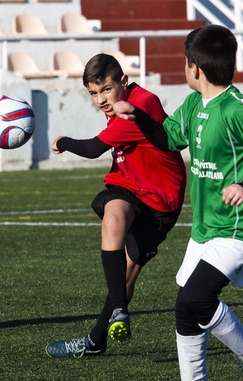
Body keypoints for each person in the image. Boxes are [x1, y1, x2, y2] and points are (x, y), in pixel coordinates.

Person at [113, 25, 243, 381]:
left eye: (185, 61)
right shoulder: (194, 105)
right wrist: (139, 118)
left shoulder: (237, 109)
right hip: (208, 226)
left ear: (195, 68)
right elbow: (168, 139)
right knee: (186, 306)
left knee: (195, 297)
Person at [45, 53, 187, 358]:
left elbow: (95, 148)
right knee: (113, 218)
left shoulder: (139, 105)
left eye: (106, 90)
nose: (100, 100)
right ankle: (120, 311)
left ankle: (95, 341)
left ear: (123, 81)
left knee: (127, 272)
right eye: (93, 94)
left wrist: (63, 141)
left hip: (161, 202)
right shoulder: (119, 103)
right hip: (127, 185)